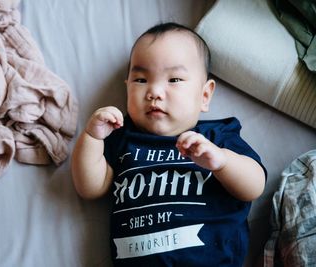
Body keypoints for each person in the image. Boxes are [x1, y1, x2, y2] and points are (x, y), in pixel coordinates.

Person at [71, 22, 267, 267]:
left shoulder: (216, 137)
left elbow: (254, 186)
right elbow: (90, 188)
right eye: (141, 80)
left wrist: (222, 162)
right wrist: (92, 137)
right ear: (127, 87)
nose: (154, 91)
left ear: (204, 95)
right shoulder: (122, 138)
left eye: (174, 79)